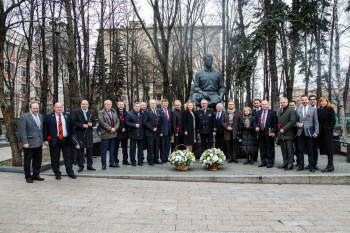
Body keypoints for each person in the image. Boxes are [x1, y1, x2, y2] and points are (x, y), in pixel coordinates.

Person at [43, 102, 77, 180]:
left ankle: (70, 172)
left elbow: (72, 128)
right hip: (55, 140)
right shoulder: (49, 117)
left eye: (60, 107)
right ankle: (57, 173)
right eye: (57, 107)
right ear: (54, 108)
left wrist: (73, 138)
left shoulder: (67, 116)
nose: (59, 109)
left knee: (68, 157)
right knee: (55, 158)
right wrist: (45, 139)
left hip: (66, 140)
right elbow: (45, 129)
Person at [19, 102, 44, 183]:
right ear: (30, 109)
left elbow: (40, 129)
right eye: (34, 108)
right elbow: (22, 131)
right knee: (27, 161)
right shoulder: (25, 117)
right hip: (29, 143)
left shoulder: (40, 116)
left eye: (37, 108)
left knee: (37, 160)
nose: (36, 110)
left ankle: (36, 175)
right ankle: (28, 176)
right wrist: (25, 142)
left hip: (38, 143)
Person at [296, 95, 319, 173]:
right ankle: (301, 165)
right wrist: (298, 124)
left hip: (309, 132)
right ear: (301, 101)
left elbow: (316, 122)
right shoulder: (298, 110)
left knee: (310, 150)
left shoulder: (313, 109)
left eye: (305, 100)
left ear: (308, 100)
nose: (304, 101)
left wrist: (316, 132)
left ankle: (311, 166)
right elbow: (295, 121)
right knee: (300, 150)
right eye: (302, 100)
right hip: (300, 132)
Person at [72, 100, 97, 172]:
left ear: (88, 105)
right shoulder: (76, 112)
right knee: (80, 150)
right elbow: (74, 122)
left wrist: (92, 124)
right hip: (80, 133)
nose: (84, 105)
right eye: (83, 104)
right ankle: (80, 165)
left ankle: (90, 165)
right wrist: (82, 125)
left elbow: (94, 122)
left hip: (89, 133)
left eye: (86, 104)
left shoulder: (91, 112)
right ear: (81, 104)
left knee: (89, 150)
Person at [254, 100, 277, 168]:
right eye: (263, 104)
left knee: (269, 148)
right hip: (260, 132)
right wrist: (256, 127)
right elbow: (254, 121)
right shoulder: (258, 113)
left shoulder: (272, 112)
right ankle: (263, 161)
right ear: (261, 105)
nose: (264, 106)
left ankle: (270, 162)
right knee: (262, 148)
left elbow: (275, 123)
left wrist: (274, 132)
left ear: (268, 105)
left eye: (265, 104)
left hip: (269, 132)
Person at [98, 100, 119, 170]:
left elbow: (117, 121)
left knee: (112, 150)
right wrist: (110, 128)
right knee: (104, 150)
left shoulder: (113, 112)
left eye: (110, 104)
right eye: (107, 104)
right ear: (104, 105)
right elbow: (102, 122)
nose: (109, 106)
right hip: (105, 134)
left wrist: (115, 128)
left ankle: (111, 163)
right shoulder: (101, 113)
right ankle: (103, 164)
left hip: (113, 134)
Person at [277, 97, 297, 171]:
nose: (282, 104)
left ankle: (290, 163)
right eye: (281, 102)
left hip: (288, 134)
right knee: (283, 150)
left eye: (283, 102)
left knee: (289, 149)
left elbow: (292, 121)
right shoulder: (280, 111)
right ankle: (285, 162)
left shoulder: (291, 111)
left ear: (287, 103)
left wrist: (284, 129)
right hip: (281, 134)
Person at [317, 97, 336, 172]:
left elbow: (332, 120)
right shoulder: (319, 110)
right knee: (325, 148)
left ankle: (330, 165)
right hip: (321, 131)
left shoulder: (330, 109)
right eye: (321, 101)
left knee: (329, 148)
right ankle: (330, 165)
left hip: (327, 131)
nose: (323, 103)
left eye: (324, 101)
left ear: (327, 102)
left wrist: (329, 129)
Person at [143, 99, 163, 166]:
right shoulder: (147, 112)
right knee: (150, 146)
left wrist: (160, 131)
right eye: (152, 103)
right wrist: (152, 128)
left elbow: (160, 122)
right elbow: (145, 122)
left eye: (155, 103)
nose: (154, 105)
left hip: (157, 133)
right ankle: (150, 159)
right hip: (150, 132)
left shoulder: (158, 111)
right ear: (150, 104)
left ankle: (156, 158)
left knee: (157, 146)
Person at [115, 101, 130, 165]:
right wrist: (121, 128)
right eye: (120, 104)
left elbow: (128, 121)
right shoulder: (115, 112)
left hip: (125, 133)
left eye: (122, 104)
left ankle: (125, 160)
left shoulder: (126, 113)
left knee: (125, 148)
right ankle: (116, 161)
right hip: (117, 133)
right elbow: (115, 122)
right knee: (116, 148)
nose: (121, 106)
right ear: (117, 105)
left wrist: (125, 129)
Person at [308, 95, 319, 170]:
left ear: (316, 100)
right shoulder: (307, 109)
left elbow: (318, 122)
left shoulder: (319, 109)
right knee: (310, 149)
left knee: (315, 149)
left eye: (313, 99)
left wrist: (317, 131)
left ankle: (315, 163)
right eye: (311, 99)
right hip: (309, 132)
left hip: (317, 132)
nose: (312, 101)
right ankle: (310, 163)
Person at [289, 100, 299, 166]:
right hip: (289, 131)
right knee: (290, 147)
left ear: (295, 105)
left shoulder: (298, 112)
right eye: (290, 105)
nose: (292, 106)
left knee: (298, 147)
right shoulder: (288, 112)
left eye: (293, 105)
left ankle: (299, 161)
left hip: (297, 131)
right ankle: (291, 160)